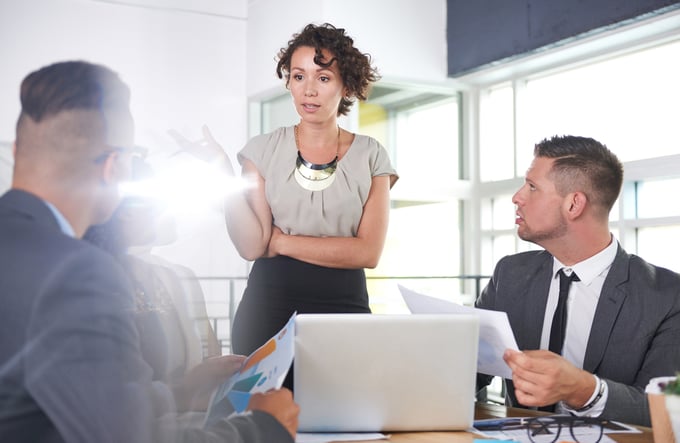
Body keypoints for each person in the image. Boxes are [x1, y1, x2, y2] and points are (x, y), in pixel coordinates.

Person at [0, 60, 298, 442]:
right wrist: (263, 428)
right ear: (113, 166)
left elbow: (59, 400)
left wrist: (181, 391)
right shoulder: (77, 272)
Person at [171, 22, 398, 388]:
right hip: (268, 309)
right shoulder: (262, 150)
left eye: (323, 78)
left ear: (346, 85)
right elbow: (250, 245)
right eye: (298, 76)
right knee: (265, 427)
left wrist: (279, 242)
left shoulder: (372, 155)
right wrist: (221, 169)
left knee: (347, 420)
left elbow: (368, 252)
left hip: (345, 310)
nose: (308, 89)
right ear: (289, 81)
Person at [476, 135, 680, 426]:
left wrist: (585, 390)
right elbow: (472, 366)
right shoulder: (510, 274)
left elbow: (669, 410)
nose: (517, 197)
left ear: (574, 205)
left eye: (532, 187)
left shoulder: (668, 296)